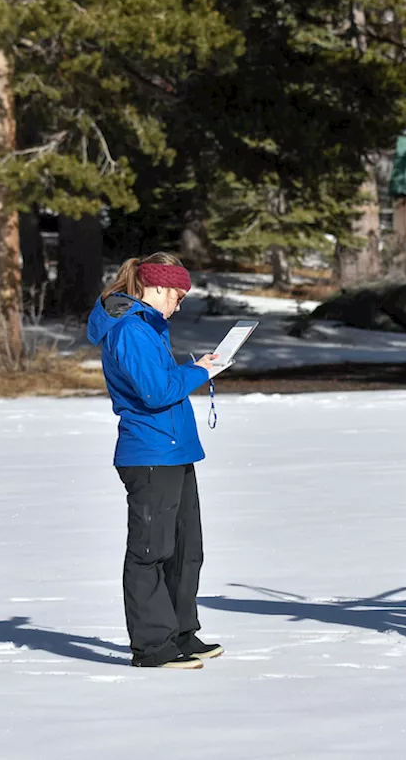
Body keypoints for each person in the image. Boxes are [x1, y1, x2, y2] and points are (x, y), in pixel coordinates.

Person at [87, 253, 230, 670]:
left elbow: (162, 384)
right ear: (159, 288)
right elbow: (155, 391)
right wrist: (200, 372)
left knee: (186, 550)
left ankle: (182, 633)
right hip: (149, 453)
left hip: (174, 449)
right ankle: (153, 646)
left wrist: (195, 371)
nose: (179, 305)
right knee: (151, 550)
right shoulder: (131, 329)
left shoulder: (149, 327)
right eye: (179, 296)